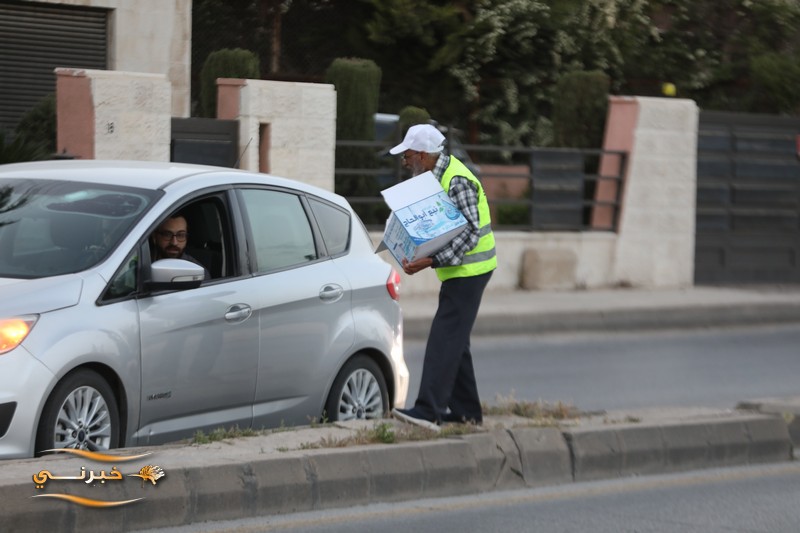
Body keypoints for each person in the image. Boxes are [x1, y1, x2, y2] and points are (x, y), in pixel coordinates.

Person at [389, 124, 497, 431]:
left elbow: (470, 233)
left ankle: (428, 410)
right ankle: (467, 413)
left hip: (471, 271)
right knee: (456, 341)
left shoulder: (457, 179)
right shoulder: (436, 175)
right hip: (461, 271)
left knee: (444, 337)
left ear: (423, 155)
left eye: (408, 156)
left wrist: (431, 261)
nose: (405, 162)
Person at [150, 213, 209, 279]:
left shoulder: (197, 273)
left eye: (180, 235)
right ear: (154, 237)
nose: (174, 243)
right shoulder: (141, 263)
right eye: (167, 234)